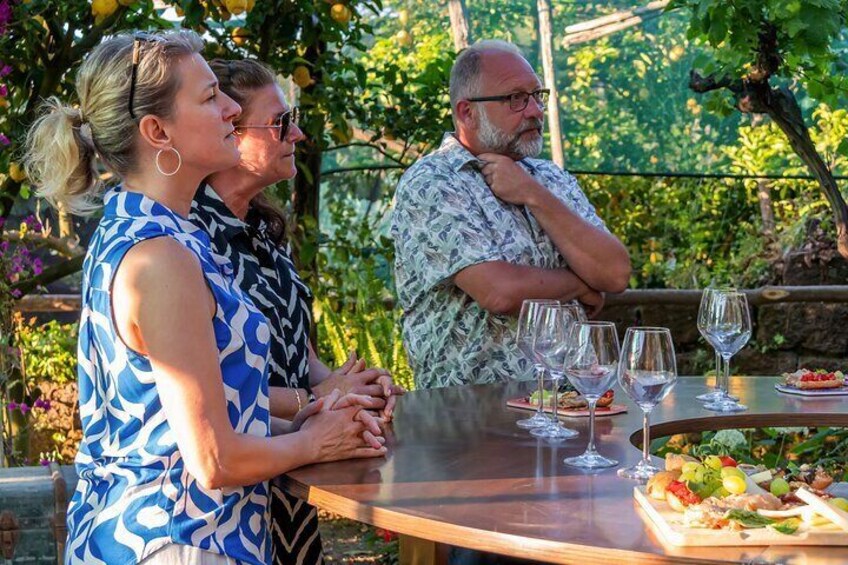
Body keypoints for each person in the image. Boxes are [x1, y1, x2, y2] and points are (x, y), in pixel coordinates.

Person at [24, 31, 386, 565]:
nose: (232, 109)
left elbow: (182, 421)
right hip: (179, 541)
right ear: (157, 131)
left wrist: (310, 420)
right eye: (211, 96)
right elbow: (212, 458)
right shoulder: (159, 256)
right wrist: (314, 442)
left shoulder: (158, 229)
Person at [189, 58, 405, 564]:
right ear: (228, 130)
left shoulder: (265, 231)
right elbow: (201, 400)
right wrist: (314, 397)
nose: (299, 134)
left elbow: (299, 354)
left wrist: (353, 391)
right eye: (281, 122)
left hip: (290, 489)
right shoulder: (185, 242)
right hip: (224, 505)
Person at [391, 40, 631, 390]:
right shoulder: (433, 182)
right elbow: (499, 291)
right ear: (466, 112)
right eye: (516, 98)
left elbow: (616, 272)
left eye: (537, 95)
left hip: (572, 408)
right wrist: (583, 283)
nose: (534, 109)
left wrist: (532, 194)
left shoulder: (550, 178)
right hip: (474, 419)